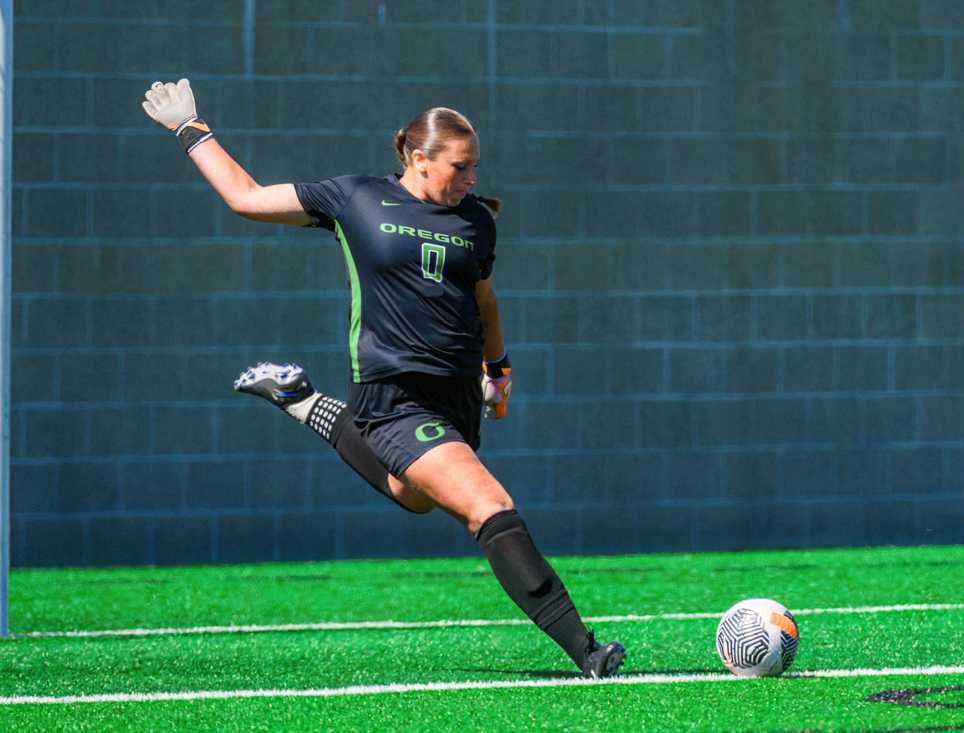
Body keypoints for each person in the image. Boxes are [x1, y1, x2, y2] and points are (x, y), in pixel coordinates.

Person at [141, 79, 626, 678]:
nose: (472, 179)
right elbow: (245, 197)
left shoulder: (475, 220)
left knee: (413, 496)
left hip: (456, 398)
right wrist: (192, 129)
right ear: (418, 159)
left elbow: (485, 300)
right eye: (461, 166)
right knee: (488, 505)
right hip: (394, 397)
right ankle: (587, 650)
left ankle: (302, 399)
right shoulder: (355, 197)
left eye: (476, 167)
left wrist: (497, 370)